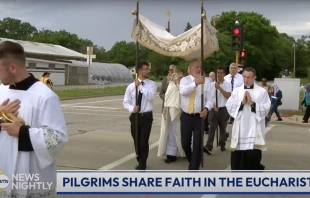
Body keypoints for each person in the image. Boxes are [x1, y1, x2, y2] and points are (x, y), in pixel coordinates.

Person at [0, 41, 68, 197]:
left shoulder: (45, 96)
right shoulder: (1, 91)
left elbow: (58, 139)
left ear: (12, 67)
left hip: (32, 176)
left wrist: (22, 132)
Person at [226, 67, 271, 170]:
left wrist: (252, 104)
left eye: (249, 77)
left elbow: (266, 109)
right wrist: (241, 103)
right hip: (240, 131)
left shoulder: (261, 92)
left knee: (252, 160)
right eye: (244, 77)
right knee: (238, 162)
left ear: (254, 77)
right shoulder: (237, 91)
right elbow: (229, 106)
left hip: (254, 130)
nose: (246, 80)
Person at [123, 61, 157, 170]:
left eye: (148, 68)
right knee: (136, 141)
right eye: (146, 69)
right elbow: (126, 102)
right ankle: (140, 159)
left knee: (143, 141)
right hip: (135, 117)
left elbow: (151, 96)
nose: (148, 71)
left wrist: (140, 87)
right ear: (140, 71)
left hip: (146, 116)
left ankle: (143, 164)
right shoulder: (131, 87)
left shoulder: (152, 84)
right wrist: (132, 108)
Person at [179, 59, 213, 170]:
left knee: (198, 144)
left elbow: (210, 99)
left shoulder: (207, 82)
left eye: (200, 67)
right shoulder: (185, 80)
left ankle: (193, 169)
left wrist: (207, 109)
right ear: (190, 69)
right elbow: (183, 91)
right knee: (185, 144)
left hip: (199, 117)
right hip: (186, 116)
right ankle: (192, 161)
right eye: (196, 67)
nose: (199, 69)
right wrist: (195, 83)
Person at [157, 68, 185, 163]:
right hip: (168, 111)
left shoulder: (180, 85)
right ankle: (171, 153)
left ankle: (183, 151)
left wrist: (178, 82)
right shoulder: (168, 84)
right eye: (171, 73)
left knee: (177, 132)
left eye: (174, 73)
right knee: (170, 133)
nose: (172, 75)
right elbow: (166, 96)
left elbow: (180, 96)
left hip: (177, 111)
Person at [204, 67, 231, 155]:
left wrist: (219, 88)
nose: (219, 75)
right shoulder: (212, 85)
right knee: (212, 127)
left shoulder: (227, 84)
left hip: (223, 109)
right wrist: (213, 105)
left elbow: (228, 95)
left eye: (221, 73)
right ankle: (209, 146)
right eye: (218, 73)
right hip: (214, 109)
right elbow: (210, 97)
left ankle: (222, 143)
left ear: (224, 74)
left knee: (223, 128)